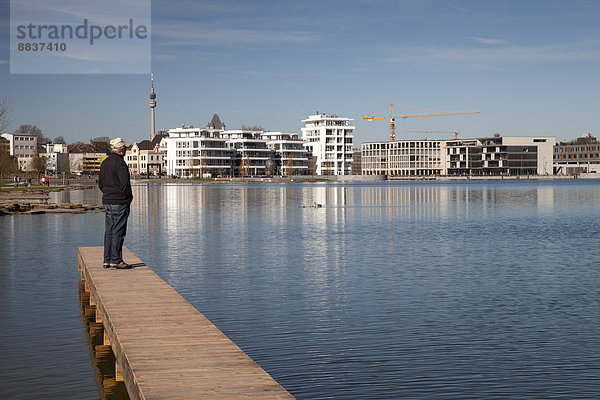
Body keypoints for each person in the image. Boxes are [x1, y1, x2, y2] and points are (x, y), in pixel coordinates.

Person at [98, 138, 133, 269]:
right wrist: (128, 198)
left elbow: (100, 183)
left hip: (107, 201)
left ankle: (107, 260)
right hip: (120, 202)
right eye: (125, 148)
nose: (126, 150)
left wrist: (107, 194)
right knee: (119, 231)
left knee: (109, 231)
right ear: (120, 149)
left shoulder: (105, 163)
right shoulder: (121, 164)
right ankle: (117, 260)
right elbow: (125, 185)